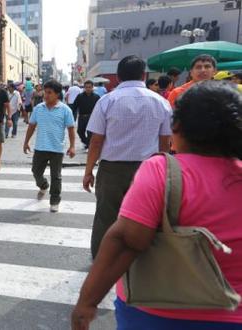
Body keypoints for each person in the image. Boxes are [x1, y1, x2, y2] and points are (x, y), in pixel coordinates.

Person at [72, 81, 242, 330]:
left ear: (177, 126)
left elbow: (127, 241)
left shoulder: (161, 170)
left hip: (158, 313)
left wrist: (86, 303)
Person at [83, 55, 172, 259]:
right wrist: (164, 170)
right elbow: (165, 142)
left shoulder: (107, 100)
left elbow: (96, 141)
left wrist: (88, 171)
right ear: (143, 75)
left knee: (106, 216)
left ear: (118, 76)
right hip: (148, 169)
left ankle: (101, 257)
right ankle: (142, 259)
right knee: (146, 216)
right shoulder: (160, 102)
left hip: (111, 169)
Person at [23, 80, 75, 212]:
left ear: (57, 94)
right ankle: (43, 185)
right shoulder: (38, 109)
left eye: (49, 93)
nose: (46, 95)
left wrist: (72, 146)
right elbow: (32, 126)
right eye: (45, 92)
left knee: (56, 176)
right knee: (36, 172)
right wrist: (26, 142)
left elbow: (70, 129)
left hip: (57, 149)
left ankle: (55, 200)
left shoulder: (65, 110)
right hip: (40, 147)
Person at [72, 80, 100, 149]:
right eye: (86, 87)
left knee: (90, 133)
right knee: (80, 131)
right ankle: (87, 143)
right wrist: (71, 115)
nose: (88, 89)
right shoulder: (80, 96)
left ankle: (89, 145)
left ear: (92, 87)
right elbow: (74, 106)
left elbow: (100, 108)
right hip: (82, 117)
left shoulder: (96, 97)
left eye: (89, 87)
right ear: (84, 88)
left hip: (92, 117)